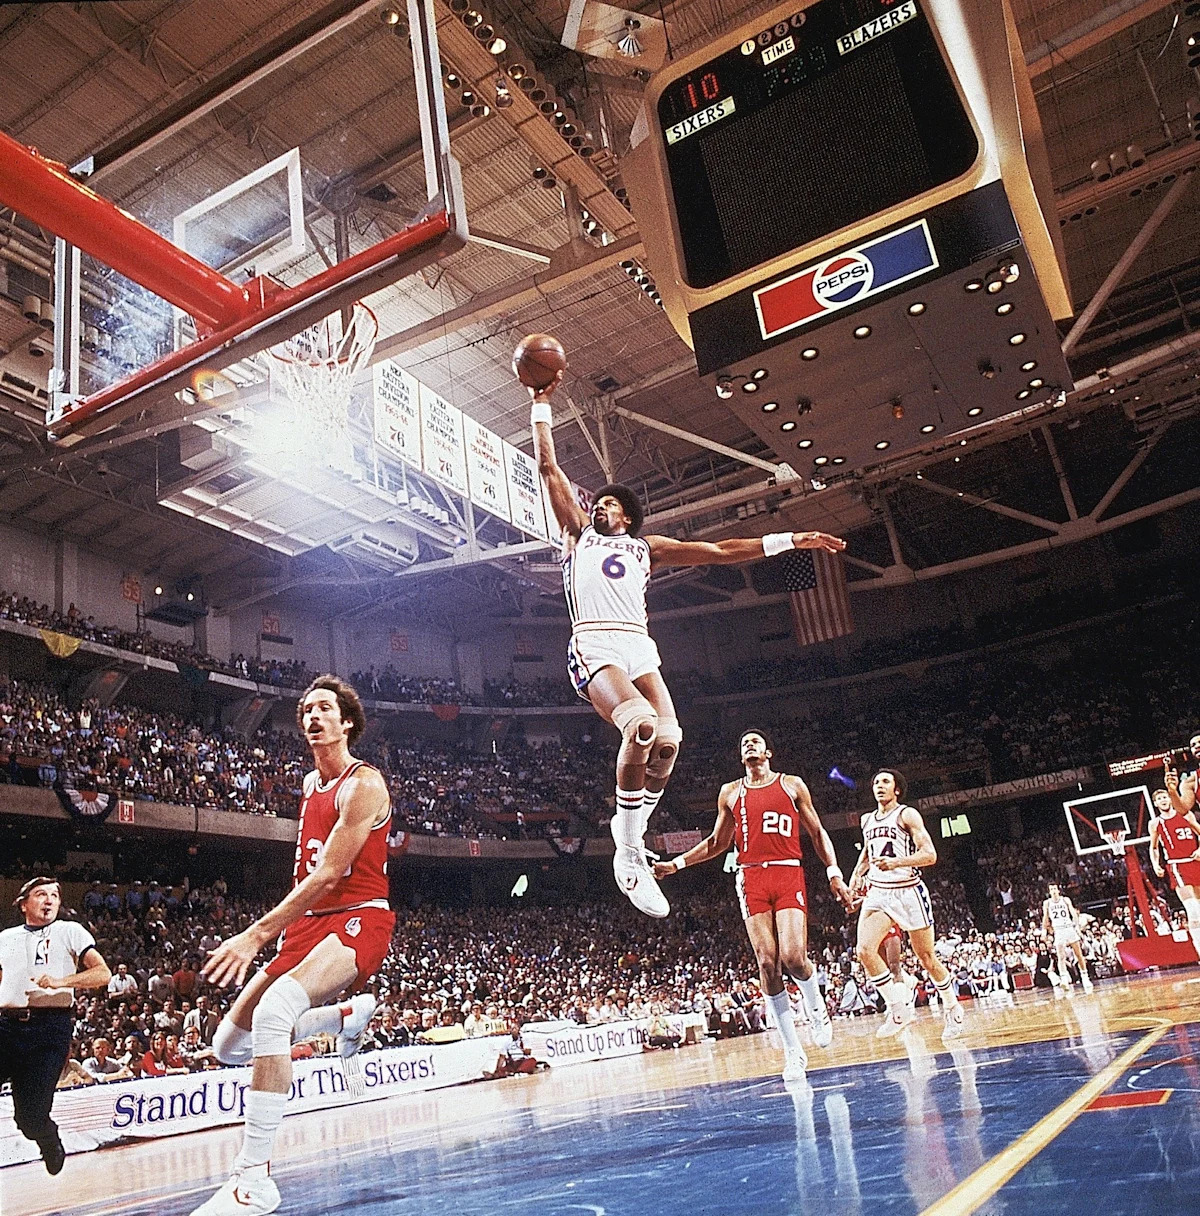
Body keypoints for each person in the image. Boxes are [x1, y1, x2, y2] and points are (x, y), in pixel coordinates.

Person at [530, 372, 845, 917]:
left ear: (625, 515)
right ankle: (627, 854)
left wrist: (792, 539)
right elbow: (548, 468)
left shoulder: (647, 548)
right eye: (596, 502)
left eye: (608, 503)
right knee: (641, 727)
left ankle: (631, 825)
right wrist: (540, 404)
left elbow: (721, 550)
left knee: (670, 742)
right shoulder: (578, 536)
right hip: (596, 644)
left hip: (639, 647)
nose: (599, 506)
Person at [190, 675, 396, 1216]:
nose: (312, 716)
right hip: (306, 925)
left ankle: (253, 1177)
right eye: (305, 709)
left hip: (357, 916)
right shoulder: (309, 785)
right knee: (227, 1047)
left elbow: (331, 873)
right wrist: (282, 933)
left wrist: (256, 933)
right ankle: (344, 1017)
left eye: (324, 708)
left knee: (278, 1009)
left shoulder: (364, 783)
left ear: (346, 721)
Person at [654, 729, 853, 1080]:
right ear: (741, 756)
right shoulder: (730, 792)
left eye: (755, 741)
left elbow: (818, 832)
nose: (749, 744)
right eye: (743, 742)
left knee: (793, 957)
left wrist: (834, 872)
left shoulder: (792, 785)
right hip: (750, 878)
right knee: (767, 962)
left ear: (769, 753)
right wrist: (677, 863)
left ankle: (816, 1006)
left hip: (787, 871)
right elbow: (717, 841)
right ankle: (793, 1051)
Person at [0, 876, 112, 1174]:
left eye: (55, 895)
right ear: (23, 904)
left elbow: (103, 974)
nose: (49, 900)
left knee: (30, 1118)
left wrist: (62, 981)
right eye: (41, 894)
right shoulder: (5, 937)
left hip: (48, 1030)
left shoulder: (69, 931)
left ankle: (48, 1138)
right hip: (5, 1026)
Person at [848, 770, 966, 1040]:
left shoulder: (907, 815)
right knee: (865, 950)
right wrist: (855, 877)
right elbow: (867, 854)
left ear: (897, 789)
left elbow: (930, 855)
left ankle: (952, 1007)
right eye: (876, 782)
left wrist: (897, 863)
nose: (879, 786)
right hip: (879, 892)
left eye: (885, 782)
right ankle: (898, 1008)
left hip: (908, 891)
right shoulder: (867, 820)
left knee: (927, 958)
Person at [1149, 785, 1200, 955]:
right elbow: (1154, 847)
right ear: (1155, 804)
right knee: (1193, 910)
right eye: (1159, 799)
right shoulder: (1155, 823)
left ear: (1170, 799)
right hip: (1177, 865)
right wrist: (1155, 863)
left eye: (1165, 797)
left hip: (1195, 862)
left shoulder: (1186, 814)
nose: (1163, 801)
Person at [1041, 882, 1093, 995]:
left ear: (1058, 890)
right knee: (1061, 956)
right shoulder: (1047, 903)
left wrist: (1077, 927)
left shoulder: (1065, 900)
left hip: (1069, 927)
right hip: (1058, 930)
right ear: (1049, 892)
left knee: (1078, 954)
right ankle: (1064, 978)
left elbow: (1073, 913)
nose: (1054, 890)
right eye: (1051, 889)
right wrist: (1044, 931)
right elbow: (1045, 917)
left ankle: (1085, 977)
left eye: (1055, 888)